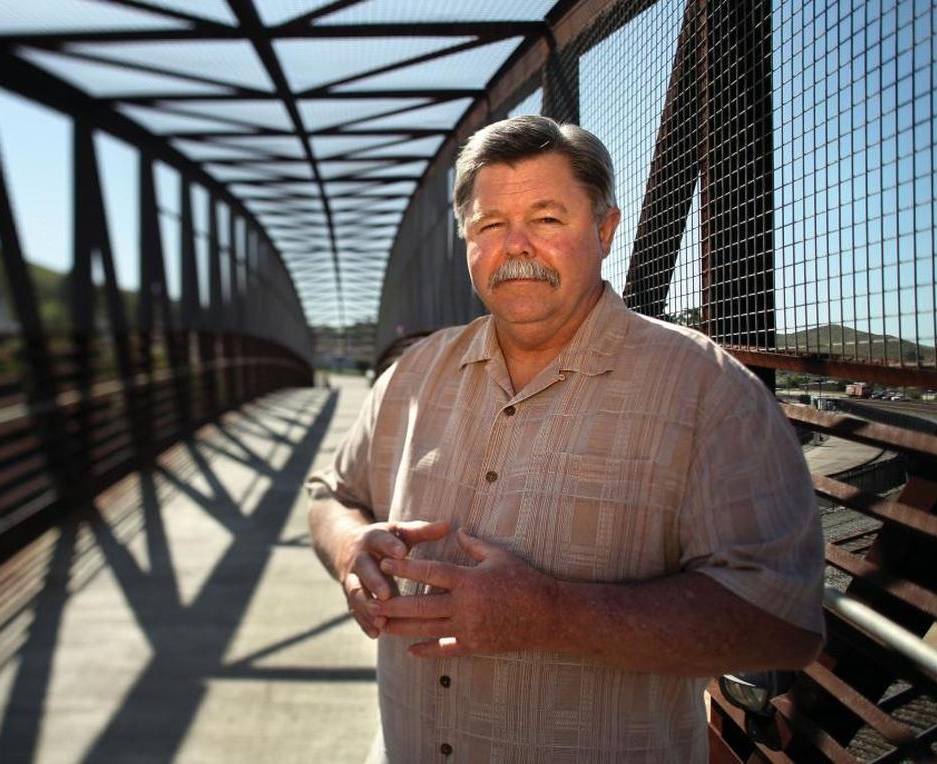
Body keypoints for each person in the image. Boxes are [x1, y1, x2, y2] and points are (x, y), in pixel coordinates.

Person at [306, 115, 824, 761]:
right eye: (491, 224)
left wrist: (553, 615)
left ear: (605, 229)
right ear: (467, 237)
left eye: (548, 219)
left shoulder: (707, 391)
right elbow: (331, 494)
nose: (516, 245)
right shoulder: (412, 375)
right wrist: (351, 543)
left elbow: (785, 625)